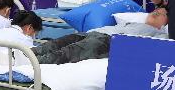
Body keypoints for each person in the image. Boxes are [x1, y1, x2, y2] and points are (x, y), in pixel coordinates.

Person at [35, 8, 168, 65]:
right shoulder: (132, 23)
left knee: (68, 52)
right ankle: (27, 54)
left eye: (163, 13)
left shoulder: (161, 35)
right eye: (156, 10)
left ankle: (33, 64)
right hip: (93, 33)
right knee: (57, 43)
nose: (157, 11)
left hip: (108, 42)